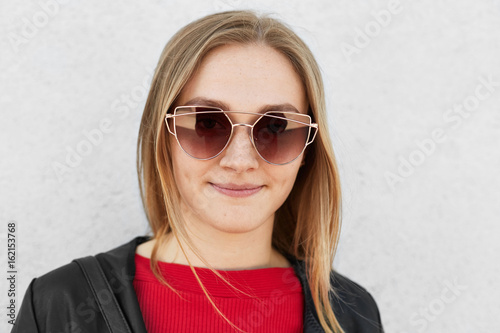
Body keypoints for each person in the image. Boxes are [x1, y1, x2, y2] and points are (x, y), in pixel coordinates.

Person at [12, 10, 383, 333]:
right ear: (164, 138)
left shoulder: (353, 315)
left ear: (307, 150)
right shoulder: (56, 305)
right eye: (207, 123)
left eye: (275, 128)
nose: (240, 161)